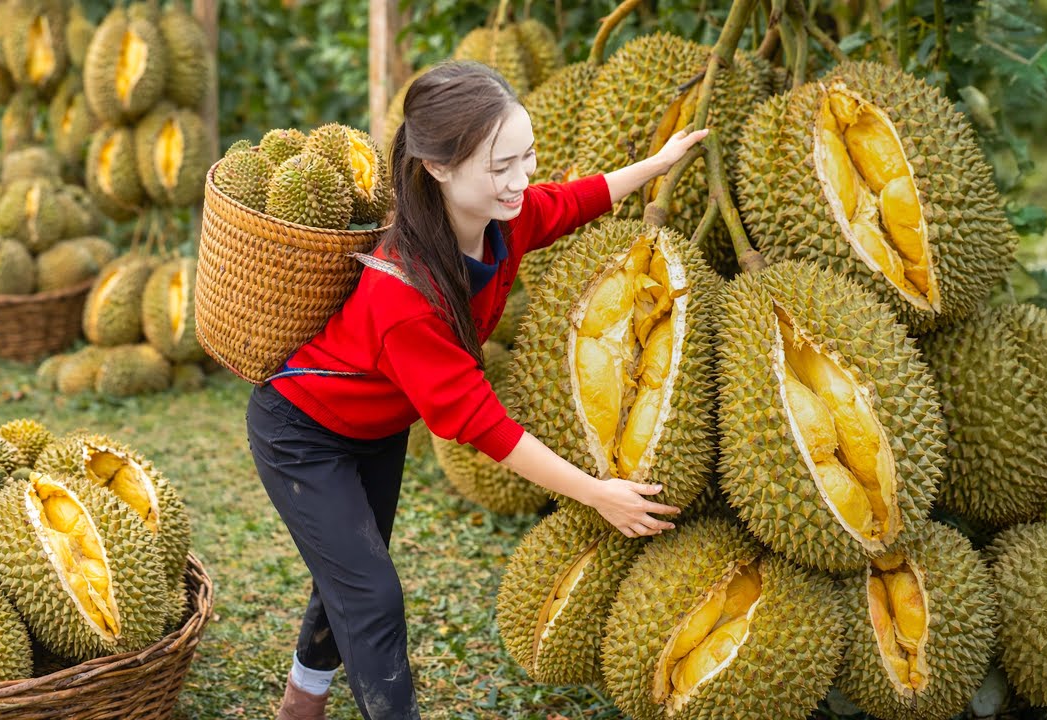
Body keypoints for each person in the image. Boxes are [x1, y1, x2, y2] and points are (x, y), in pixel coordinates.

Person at [246, 60, 710, 720]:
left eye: (527, 159)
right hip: (300, 434)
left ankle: (302, 700)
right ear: (437, 167)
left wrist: (659, 162)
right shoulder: (400, 294)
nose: (521, 181)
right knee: (371, 593)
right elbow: (480, 422)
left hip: (376, 430)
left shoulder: (503, 222)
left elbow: (577, 199)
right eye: (500, 166)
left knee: (348, 571)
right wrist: (596, 493)